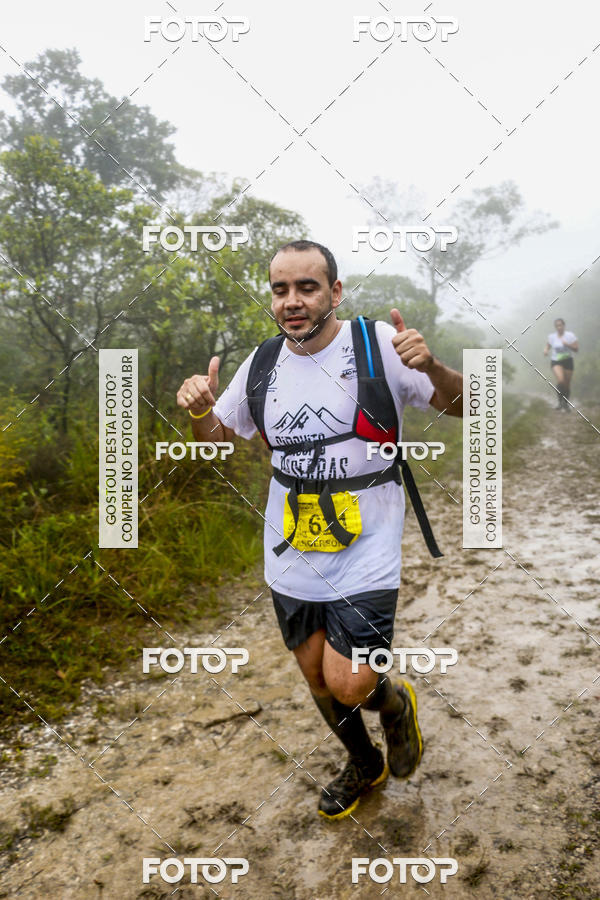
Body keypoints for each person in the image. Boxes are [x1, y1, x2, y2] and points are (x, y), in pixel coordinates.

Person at [177, 240, 463, 819]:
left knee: (352, 682)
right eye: (280, 289)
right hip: (291, 542)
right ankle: (364, 763)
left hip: (369, 540)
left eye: (307, 287)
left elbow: (469, 404)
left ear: (334, 292)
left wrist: (430, 366)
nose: (292, 301)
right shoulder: (260, 364)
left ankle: (394, 699)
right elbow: (217, 440)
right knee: (316, 674)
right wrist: (199, 410)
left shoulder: (377, 344)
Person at [544, 318, 578, 411]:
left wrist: (567, 344)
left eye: (560, 325)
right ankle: (559, 402)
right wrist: (546, 350)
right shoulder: (552, 336)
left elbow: (576, 348)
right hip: (556, 361)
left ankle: (565, 403)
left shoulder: (570, 336)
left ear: (564, 325)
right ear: (555, 327)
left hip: (568, 361)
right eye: (557, 325)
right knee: (561, 380)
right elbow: (548, 345)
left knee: (567, 384)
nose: (559, 327)